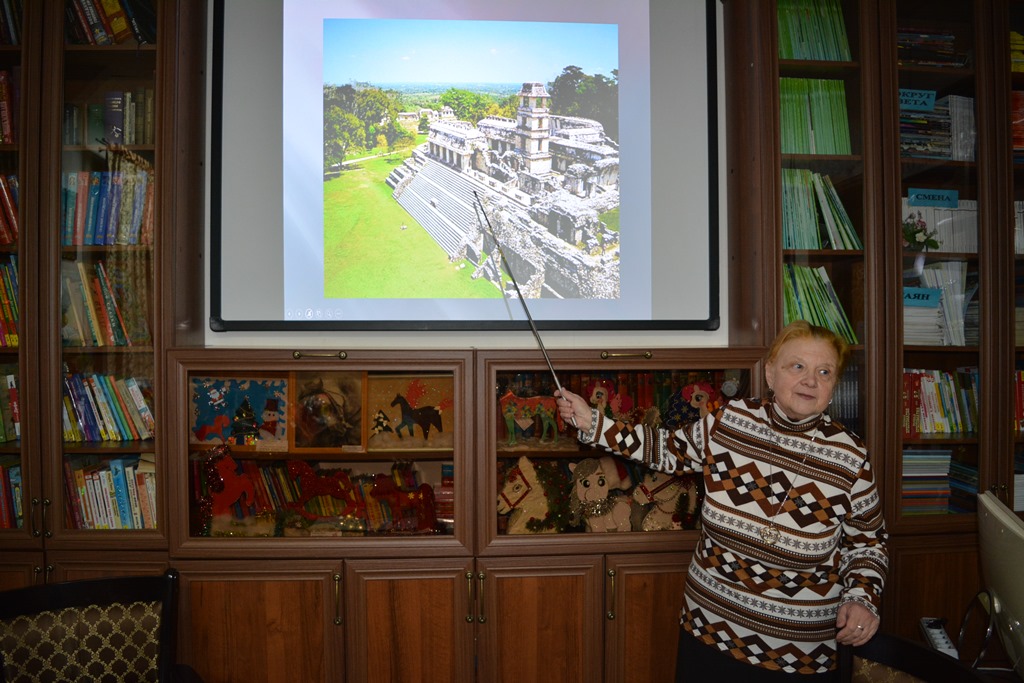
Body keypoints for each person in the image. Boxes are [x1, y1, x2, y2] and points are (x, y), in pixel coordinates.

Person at [555, 320, 888, 681]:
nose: (810, 380)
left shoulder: (851, 457)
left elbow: (868, 543)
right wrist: (592, 422)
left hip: (797, 654)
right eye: (797, 366)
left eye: (824, 372)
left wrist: (862, 597)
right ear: (770, 373)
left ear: (834, 385)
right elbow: (666, 450)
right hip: (708, 631)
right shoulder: (730, 421)